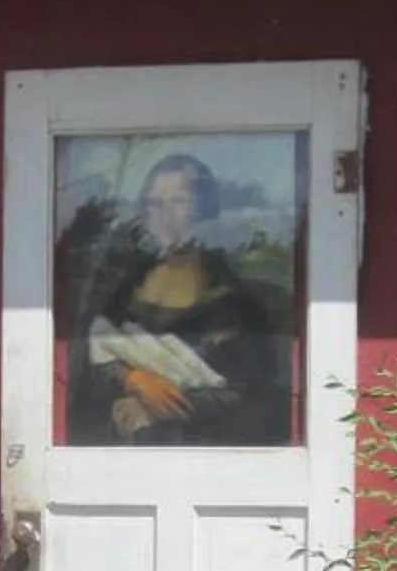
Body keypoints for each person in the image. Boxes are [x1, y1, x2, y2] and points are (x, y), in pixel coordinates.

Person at [70, 152, 290, 446]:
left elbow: (253, 395)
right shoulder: (123, 290)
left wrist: (170, 405)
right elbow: (87, 365)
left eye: (179, 202)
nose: (165, 214)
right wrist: (132, 379)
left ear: (203, 211)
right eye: (155, 203)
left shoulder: (231, 301)